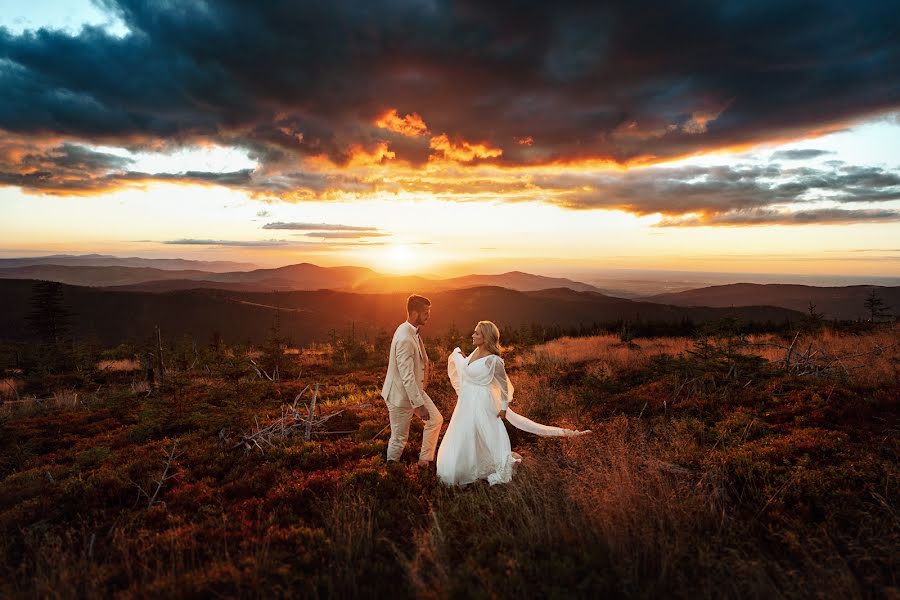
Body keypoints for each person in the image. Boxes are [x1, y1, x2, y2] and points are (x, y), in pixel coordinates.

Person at [436, 320, 590, 486]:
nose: (472, 335)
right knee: (464, 435)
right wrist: (460, 356)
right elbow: (465, 369)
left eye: (477, 333)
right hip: (465, 403)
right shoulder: (473, 353)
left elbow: (504, 388)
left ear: (486, 337)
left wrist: (503, 408)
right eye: (474, 332)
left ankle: (500, 463)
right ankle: (460, 468)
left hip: (483, 403)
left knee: (489, 435)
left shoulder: (494, 361)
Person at [381, 294, 444, 467]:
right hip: (400, 396)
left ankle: (424, 461)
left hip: (414, 391)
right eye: (425, 312)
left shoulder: (409, 330)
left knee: (435, 420)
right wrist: (419, 404)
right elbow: (406, 375)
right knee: (399, 437)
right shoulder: (405, 338)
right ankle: (392, 469)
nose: (428, 315)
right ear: (414, 313)